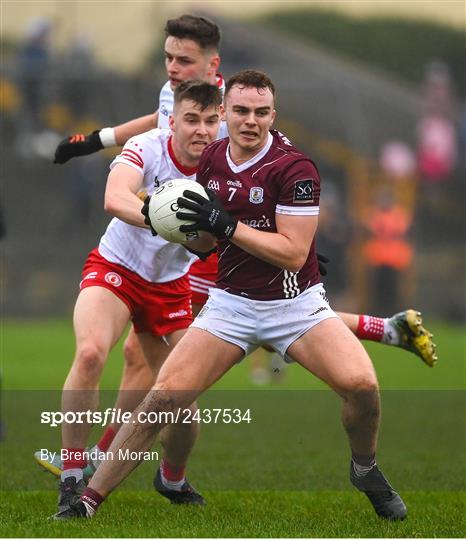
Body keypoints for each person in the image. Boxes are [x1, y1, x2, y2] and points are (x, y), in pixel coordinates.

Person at [38, 13, 436, 480]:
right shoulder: (178, 94)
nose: (171, 68)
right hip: (184, 245)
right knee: (141, 355)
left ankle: (103, 462)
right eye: (168, 57)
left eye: (183, 60)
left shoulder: (235, 115)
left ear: (213, 66)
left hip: (209, 247)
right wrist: (94, 141)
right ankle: (385, 329)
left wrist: (296, 244)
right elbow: (157, 120)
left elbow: (280, 159)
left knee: (200, 343)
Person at [52, 80, 223, 518]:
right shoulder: (148, 146)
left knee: (184, 406)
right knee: (90, 354)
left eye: (209, 121)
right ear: (173, 120)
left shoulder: (226, 166)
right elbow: (114, 197)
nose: (200, 130)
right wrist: (159, 216)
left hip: (171, 287)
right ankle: (73, 475)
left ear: (219, 121)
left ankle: (172, 477)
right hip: (117, 267)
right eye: (190, 120)